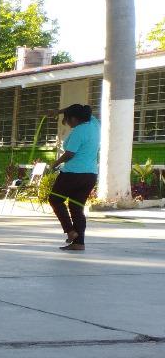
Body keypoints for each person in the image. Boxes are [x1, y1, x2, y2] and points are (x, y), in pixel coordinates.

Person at [48, 103, 100, 252]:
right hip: (90, 175)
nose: (67, 123)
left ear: (74, 118)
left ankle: (70, 231)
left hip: (72, 174)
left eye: (67, 119)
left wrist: (55, 164)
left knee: (55, 199)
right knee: (77, 207)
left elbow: (70, 154)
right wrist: (59, 111)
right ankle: (79, 243)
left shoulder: (79, 131)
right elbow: (80, 109)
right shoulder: (94, 124)